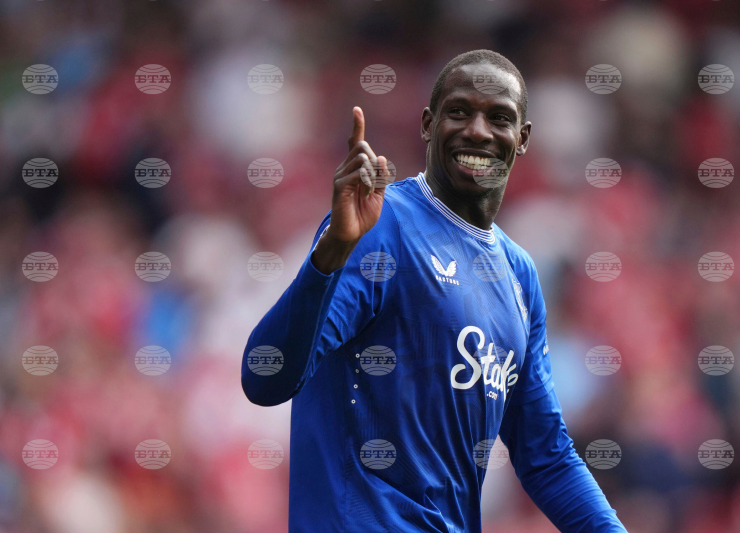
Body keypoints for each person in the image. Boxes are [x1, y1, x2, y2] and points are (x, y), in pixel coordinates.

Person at [241, 49, 627, 533]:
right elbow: (265, 379)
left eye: (499, 118)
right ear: (428, 124)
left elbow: (547, 458)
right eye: (459, 111)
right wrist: (333, 250)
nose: (478, 131)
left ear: (523, 138)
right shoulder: (381, 227)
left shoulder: (519, 275)